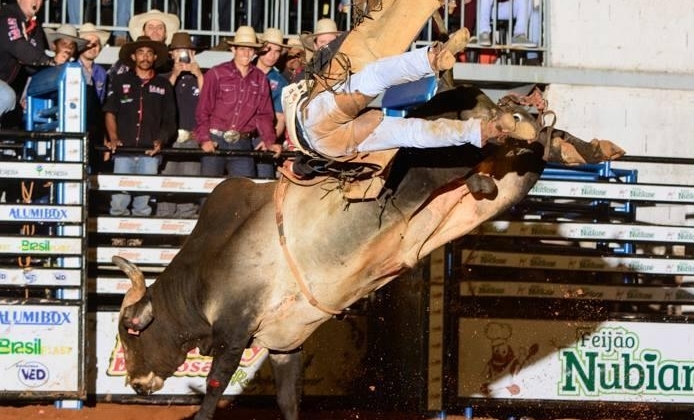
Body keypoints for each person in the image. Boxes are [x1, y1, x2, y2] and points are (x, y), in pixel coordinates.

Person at [284, 28, 533, 162]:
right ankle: (432, 59)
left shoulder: (304, 74)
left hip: (331, 143)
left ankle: (484, 130)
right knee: (376, 77)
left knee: (410, 132)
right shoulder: (313, 68)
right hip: (316, 123)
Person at [103, 36, 176, 216]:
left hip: (149, 153)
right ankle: (117, 239)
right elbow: (110, 112)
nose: (145, 57)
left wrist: (161, 140)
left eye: (149, 53)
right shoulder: (120, 81)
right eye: (141, 53)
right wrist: (113, 137)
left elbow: (170, 120)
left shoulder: (164, 85)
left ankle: (138, 240)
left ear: (155, 57)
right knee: (119, 200)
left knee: (143, 202)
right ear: (134, 57)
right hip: (124, 151)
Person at [194, 26, 275, 178]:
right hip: (215, 140)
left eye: (251, 49)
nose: (247, 53)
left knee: (244, 194)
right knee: (209, 192)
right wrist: (204, 139)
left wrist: (268, 139)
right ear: (233, 49)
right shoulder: (216, 74)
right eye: (242, 48)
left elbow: (265, 114)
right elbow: (203, 110)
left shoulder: (261, 79)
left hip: (243, 142)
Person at [157, 31, 204, 218]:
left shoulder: (201, 77)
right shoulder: (163, 77)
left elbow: (209, 100)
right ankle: (163, 224)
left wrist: (198, 74)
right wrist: (175, 74)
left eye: (187, 51)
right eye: (179, 51)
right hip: (170, 138)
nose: (183, 55)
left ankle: (184, 226)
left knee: (189, 184)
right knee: (167, 184)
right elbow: (160, 98)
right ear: (172, 54)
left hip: (192, 137)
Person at [0, 0, 54, 122]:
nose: (36, 1)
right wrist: (51, 61)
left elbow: (32, 65)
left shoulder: (35, 27)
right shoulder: (7, 14)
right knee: (6, 96)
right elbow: (17, 45)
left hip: (4, 81)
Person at [254, 27, 288, 179]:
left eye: (277, 51)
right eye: (268, 49)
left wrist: (269, 140)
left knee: (264, 180)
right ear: (260, 48)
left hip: (263, 136)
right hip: (237, 136)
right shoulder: (243, 71)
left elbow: (280, 117)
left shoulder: (281, 82)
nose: (272, 55)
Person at [107, 9, 180, 80]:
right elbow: (111, 82)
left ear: (165, 34)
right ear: (143, 32)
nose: (155, 31)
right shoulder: (129, 60)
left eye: (160, 28)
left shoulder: (172, 62)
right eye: (150, 27)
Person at [78, 22, 110, 173]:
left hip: (93, 130)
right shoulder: (71, 67)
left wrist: (104, 137)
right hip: (74, 126)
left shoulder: (102, 73)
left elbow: (101, 107)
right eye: (87, 43)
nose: (92, 47)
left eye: (95, 44)